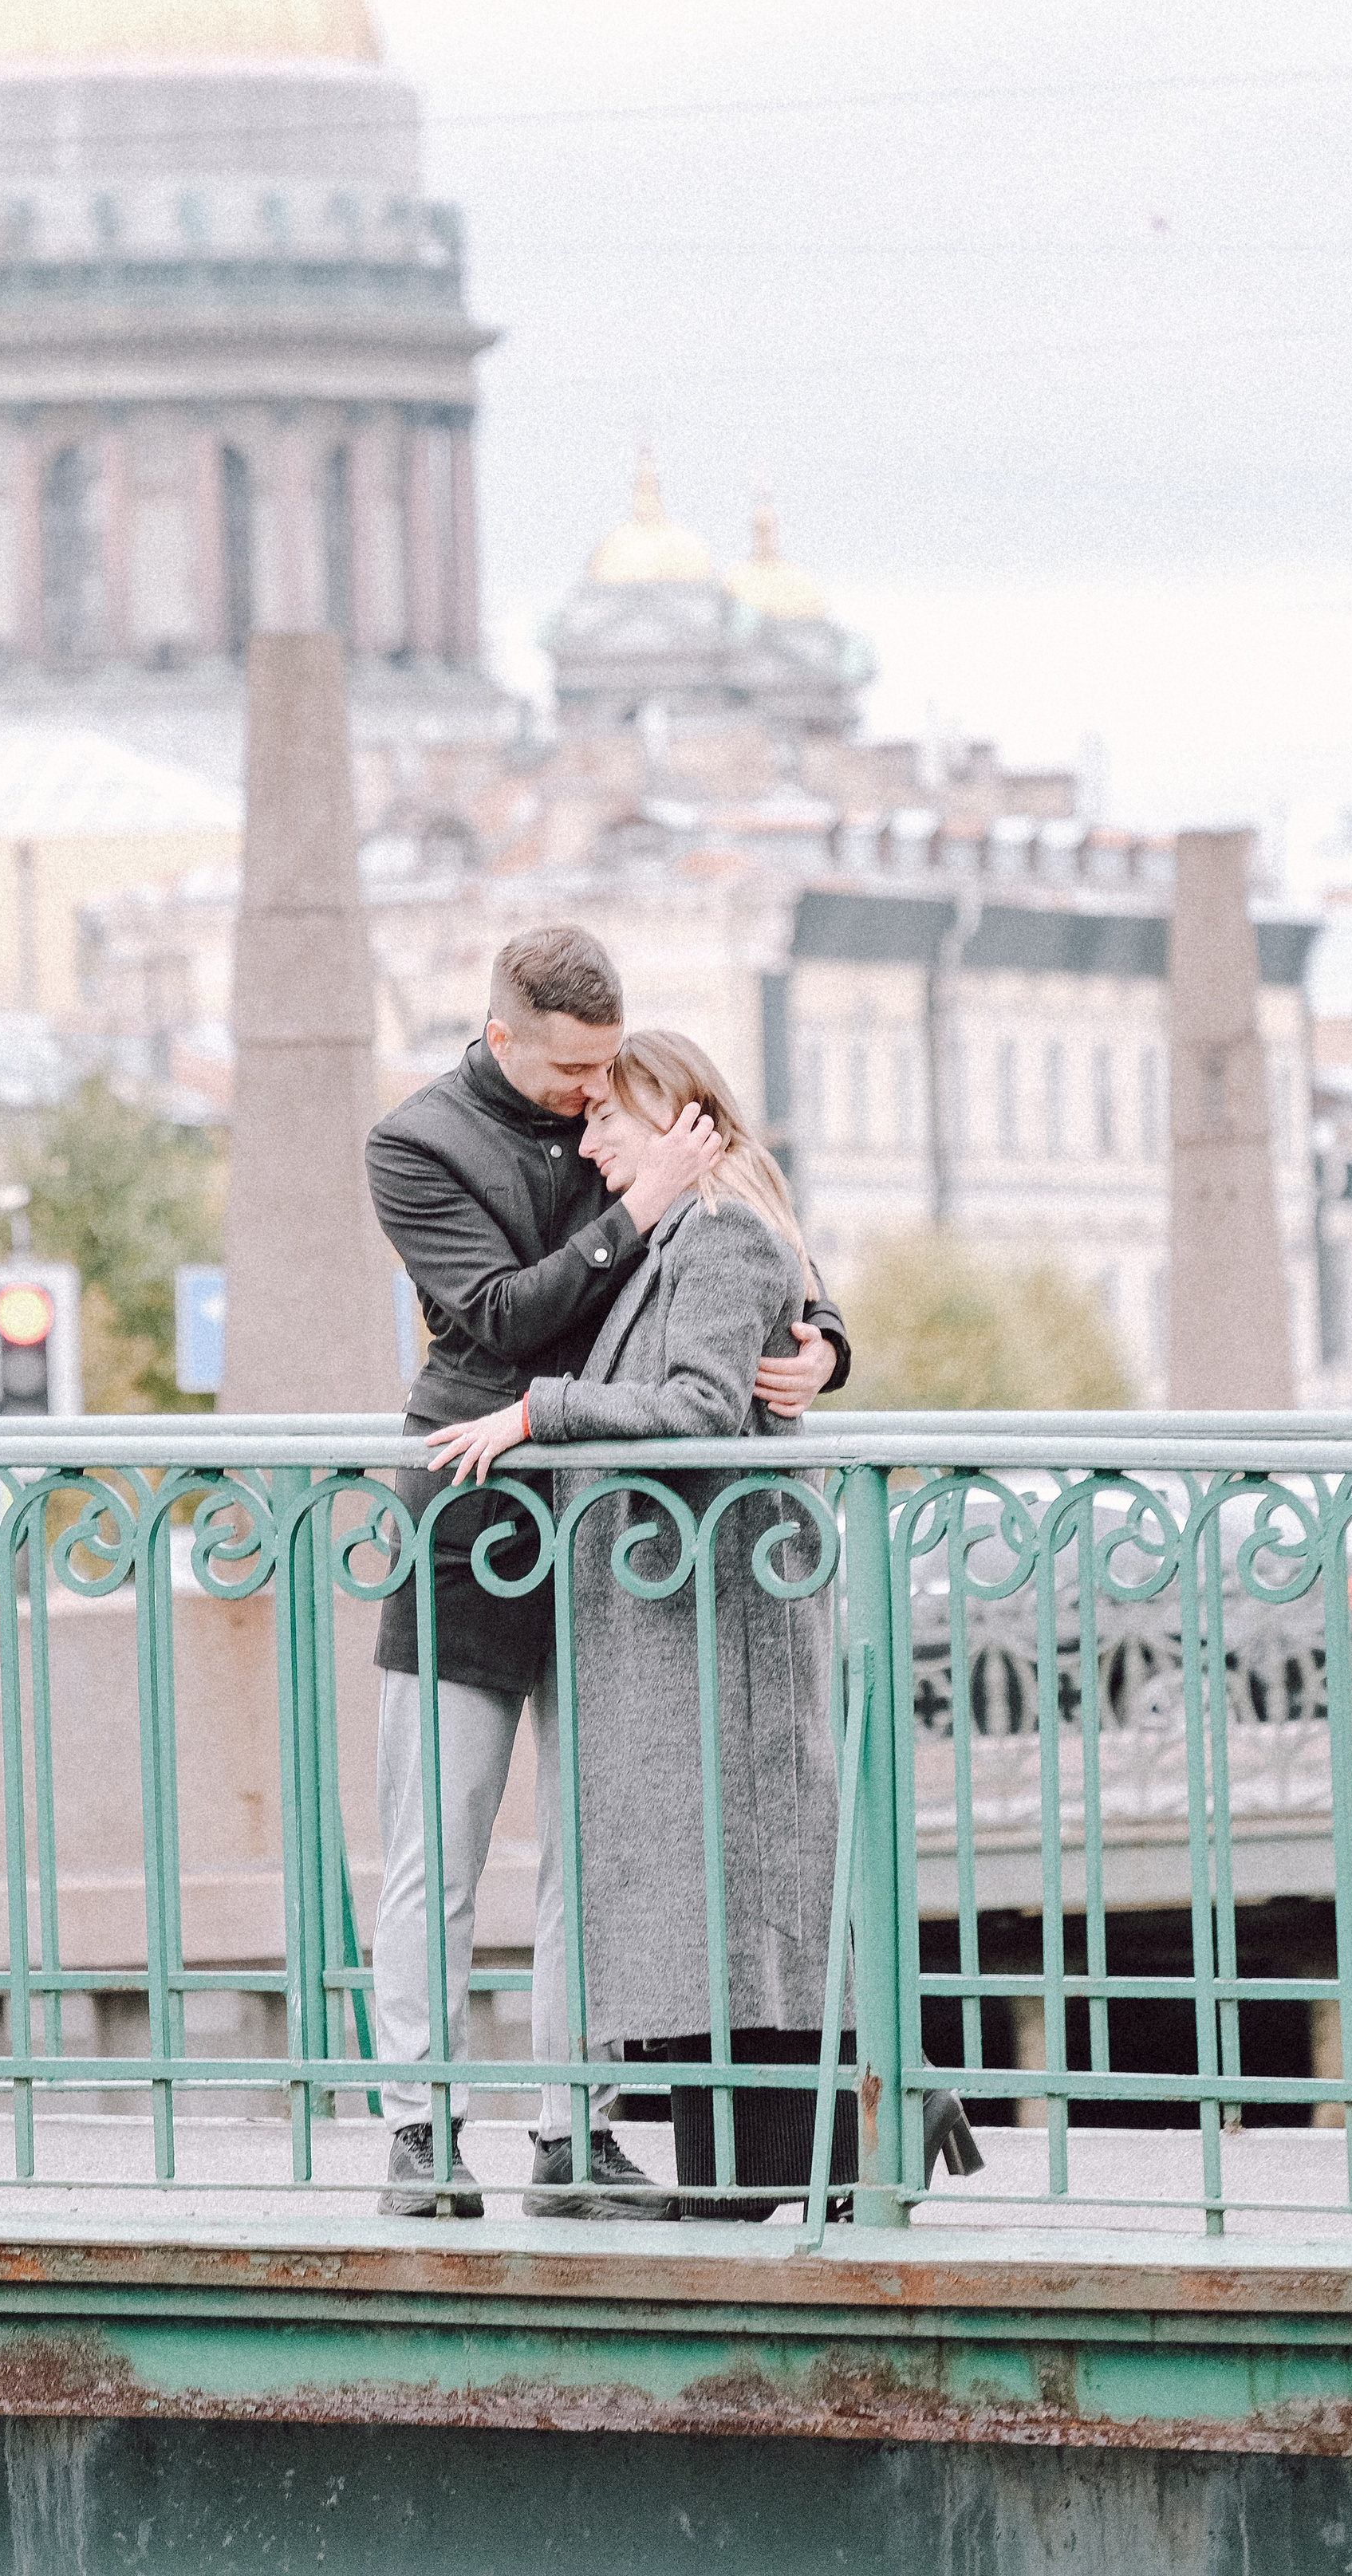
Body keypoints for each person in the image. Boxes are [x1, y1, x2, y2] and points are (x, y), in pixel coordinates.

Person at [432, 1030, 983, 2218]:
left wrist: (541, 1412)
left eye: (609, 1123)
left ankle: (805, 2143)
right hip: (674, 1616)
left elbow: (694, 1401)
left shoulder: (722, 1233)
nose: (587, 1143)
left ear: (683, 1121)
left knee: (743, 1893)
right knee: (723, 1898)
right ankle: (848, 2123)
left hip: (715, 1616)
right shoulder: (671, 1232)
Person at [365, 927, 850, 2218]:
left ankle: (571, 2134)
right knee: (441, 1846)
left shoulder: (635, 1119)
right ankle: (418, 2133)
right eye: (572, 1071)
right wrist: (632, 1210)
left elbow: (739, 1245)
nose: (592, 1101)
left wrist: (824, 1345)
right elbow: (504, 1322)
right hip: (471, 1514)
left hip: (614, 1544)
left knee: (592, 1857)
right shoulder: (414, 1146)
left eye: (606, 1075)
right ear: (504, 1035)